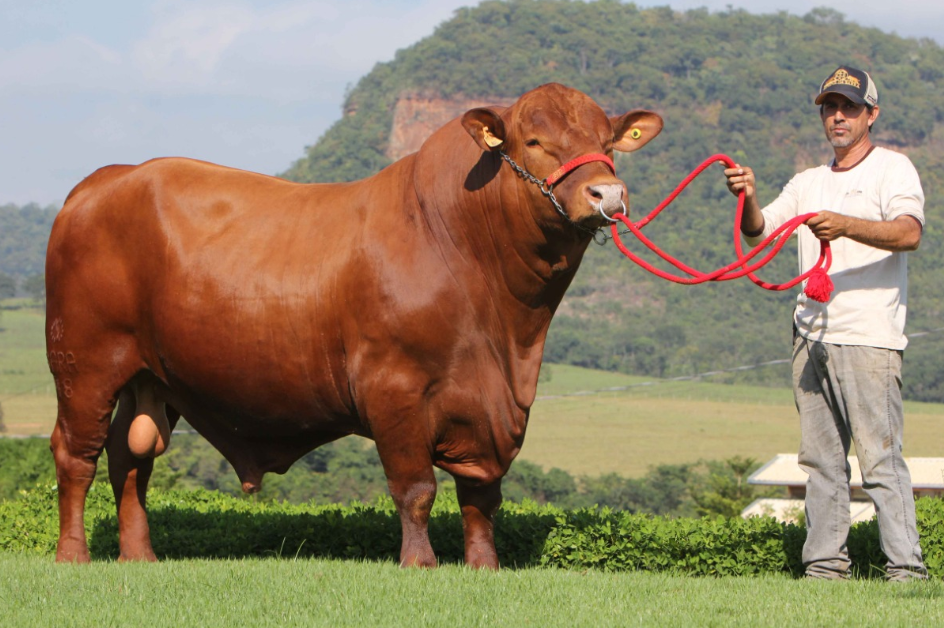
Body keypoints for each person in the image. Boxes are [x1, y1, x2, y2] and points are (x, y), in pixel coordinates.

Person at [724, 66, 928, 581]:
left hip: (868, 338)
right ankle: (824, 569)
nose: (837, 116)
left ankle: (906, 570)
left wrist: (846, 226)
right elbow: (759, 232)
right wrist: (747, 194)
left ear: (871, 115)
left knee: (880, 461)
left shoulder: (894, 169)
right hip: (809, 335)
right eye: (829, 107)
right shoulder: (809, 181)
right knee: (820, 460)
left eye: (849, 108)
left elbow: (909, 234)